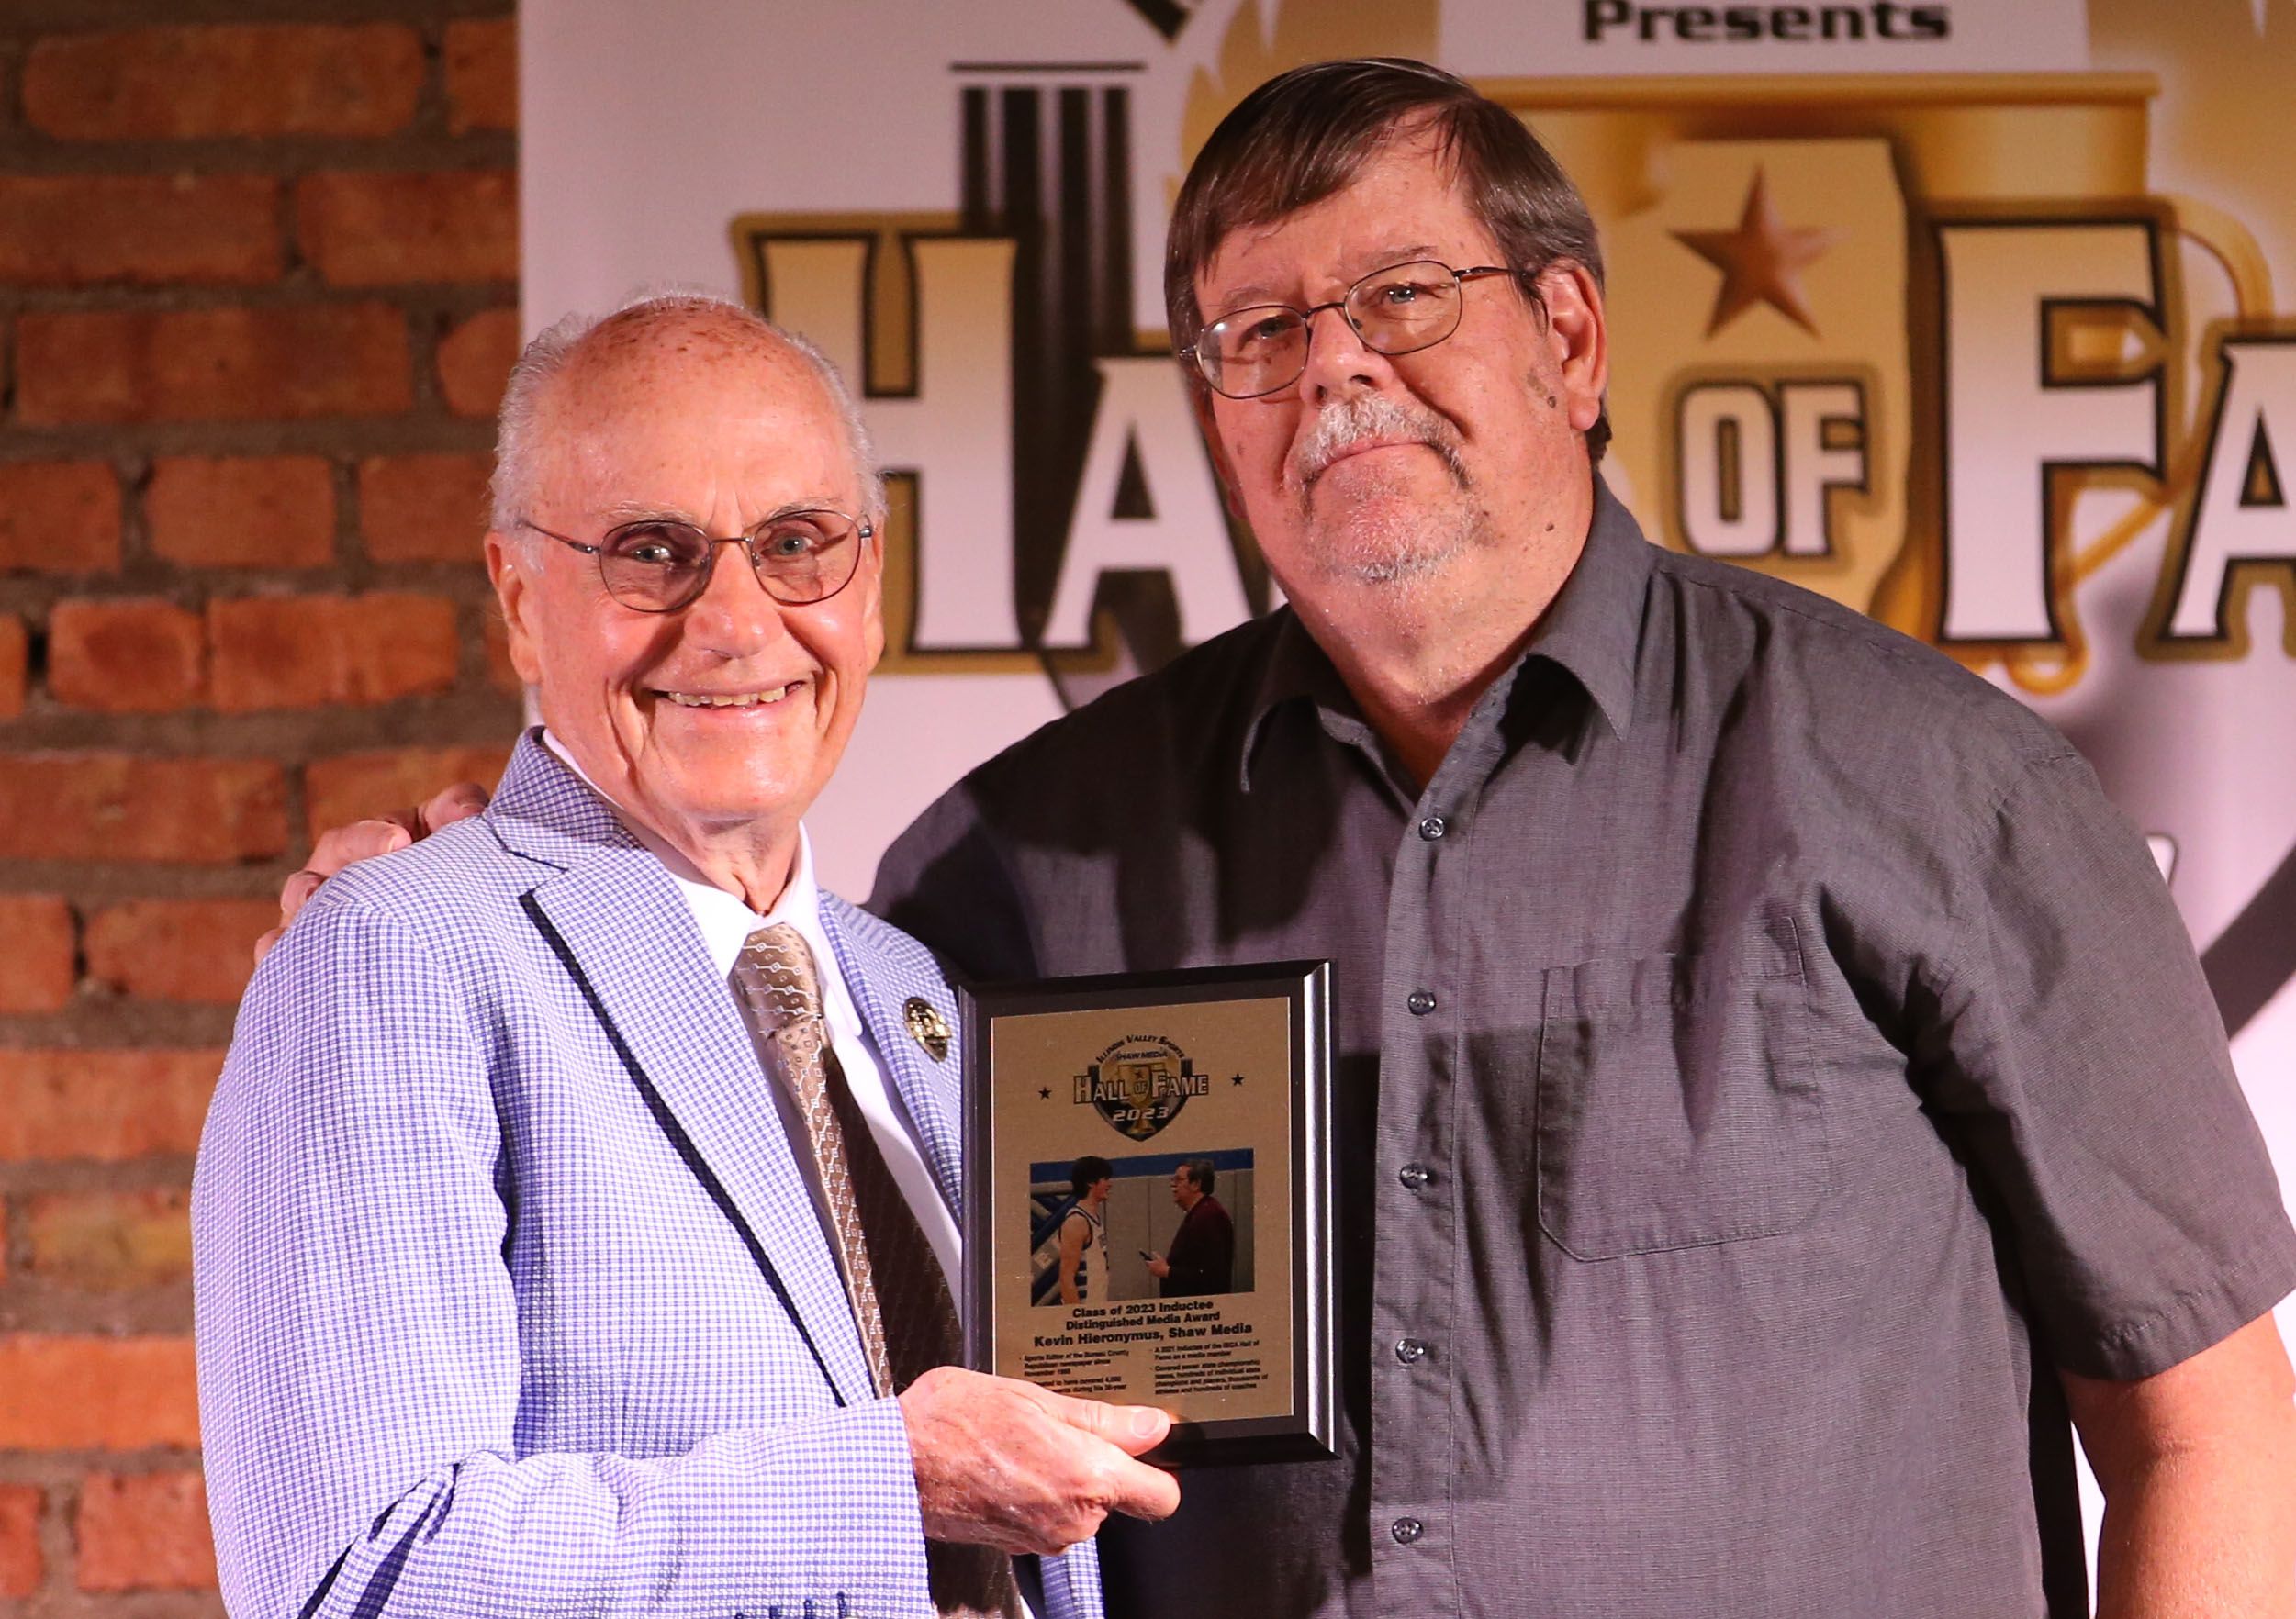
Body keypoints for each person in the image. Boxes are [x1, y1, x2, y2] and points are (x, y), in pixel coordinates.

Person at [275, 59, 2296, 1619]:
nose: (1333, 368)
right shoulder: (1014, 871)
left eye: (1401, 297)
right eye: (1255, 334)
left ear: (1569, 342)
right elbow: (765, 1129)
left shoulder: (1940, 793)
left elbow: (2203, 1424)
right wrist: (484, 883)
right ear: (1213, 412)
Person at [196, 295, 1177, 1619]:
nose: (733, 620)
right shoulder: (390, 950)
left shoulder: (910, 987)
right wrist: (890, 1484)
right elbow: (362, 1576)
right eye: (651, 551)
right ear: (518, 597)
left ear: (869, 586)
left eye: (794, 544)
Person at [1146, 1159, 1234, 1298]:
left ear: (1196, 1184)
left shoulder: (1209, 1217)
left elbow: (1212, 1276)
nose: (1172, 1184)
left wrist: (1167, 1271)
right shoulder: (1203, 1212)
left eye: (1178, 1180)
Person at [1057, 1156, 1114, 1305]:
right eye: (1105, 1179)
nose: (1110, 1184)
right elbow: (1066, 1277)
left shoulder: (1093, 1217)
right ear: (1090, 1182)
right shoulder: (1077, 1221)